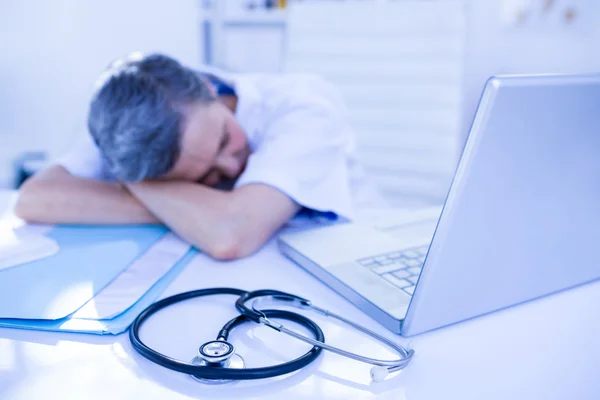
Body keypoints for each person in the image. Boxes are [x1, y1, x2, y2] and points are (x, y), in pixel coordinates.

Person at [15, 53, 380, 260]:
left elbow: (228, 235)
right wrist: (187, 210)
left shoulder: (303, 105)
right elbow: (34, 199)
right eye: (200, 176)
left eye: (224, 139)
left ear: (207, 87)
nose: (231, 166)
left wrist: (142, 188)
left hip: (358, 257)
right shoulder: (133, 132)